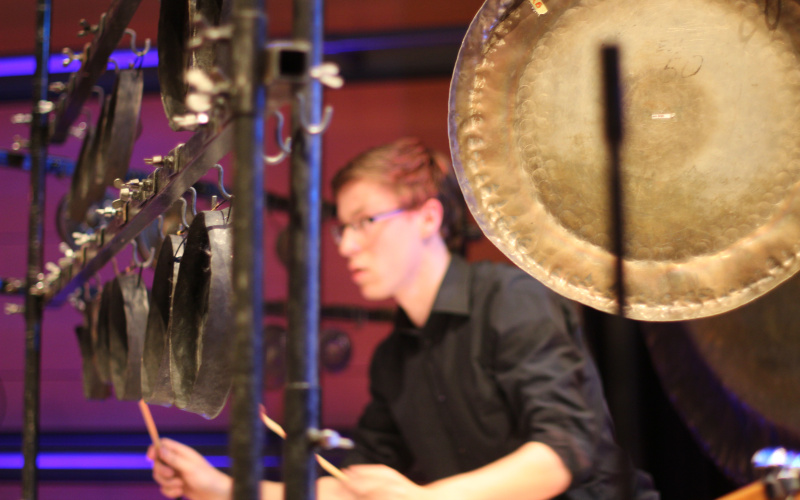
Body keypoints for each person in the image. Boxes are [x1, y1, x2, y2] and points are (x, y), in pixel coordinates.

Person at [149, 137, 658, 500]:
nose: (347, 245)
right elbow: (356, 485)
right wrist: (221, 488)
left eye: (365, 222)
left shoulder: (510, 300)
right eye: (341, 228)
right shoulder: (394, 359)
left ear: (429, 218)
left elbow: (561, 455)